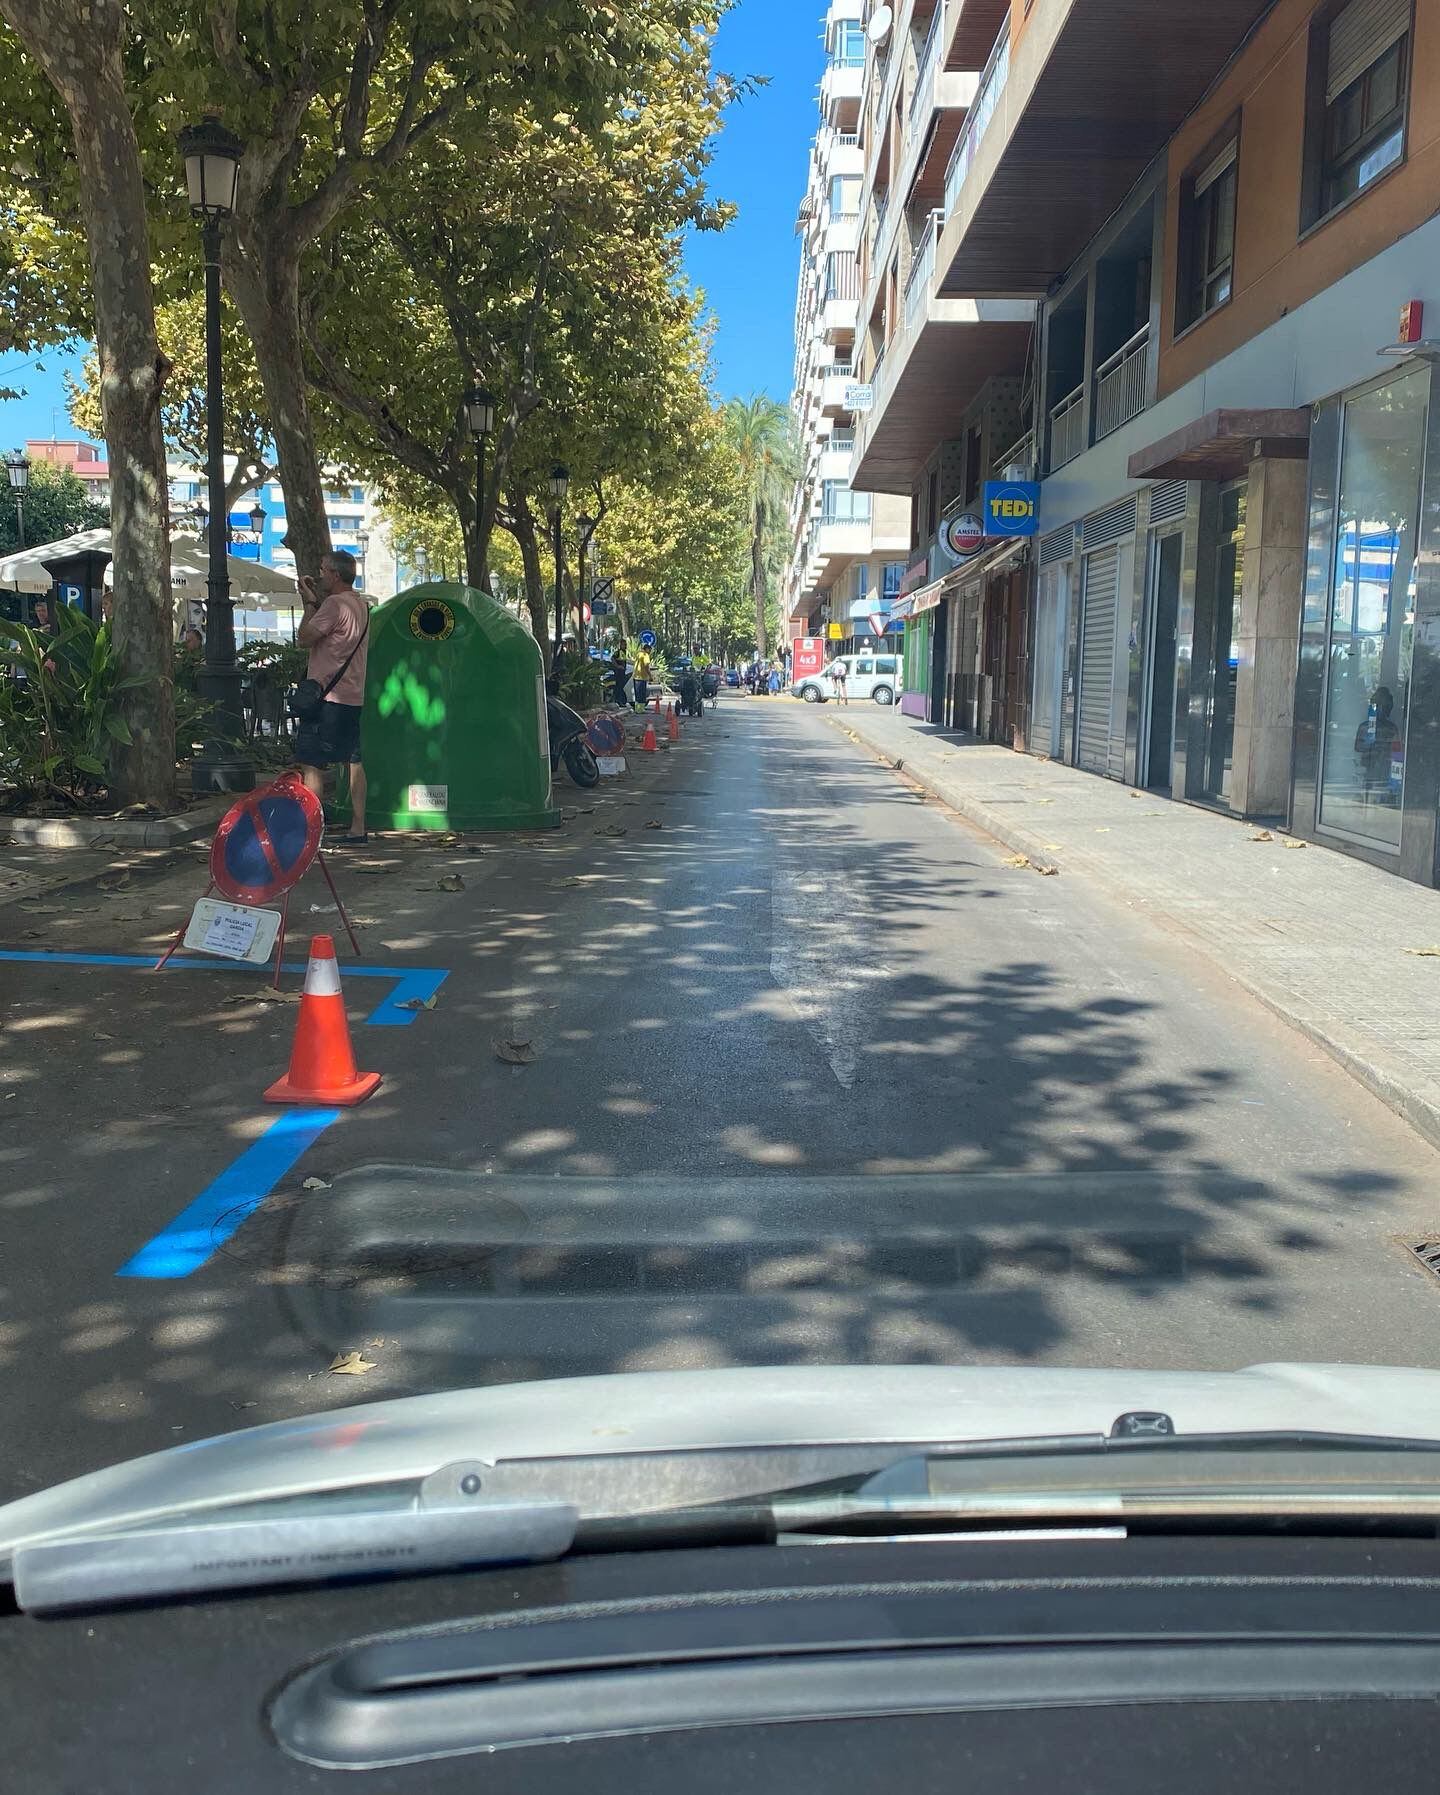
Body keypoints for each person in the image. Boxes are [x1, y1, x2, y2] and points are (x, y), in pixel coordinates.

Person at [296, 549, 370, 846]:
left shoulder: (333, 604)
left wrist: (308, 603)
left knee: (312, 762)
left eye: (323, 570)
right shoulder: (361, 606)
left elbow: (304, 638)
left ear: (335, 575)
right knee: (353, 760)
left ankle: (313, 830)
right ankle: (358, 827)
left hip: (327, 697)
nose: (320, 574)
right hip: (353, 695)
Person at [634, 644, 653, 711]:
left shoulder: (639, 654)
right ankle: (641, 709)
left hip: (636, 676)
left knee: (637, 694)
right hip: (642, 677)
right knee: (642, 694)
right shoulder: (645, 655)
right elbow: (646, 666)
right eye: (650, 650)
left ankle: (637, 709)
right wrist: (650, 676)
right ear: (647, 649)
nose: (650, 651)